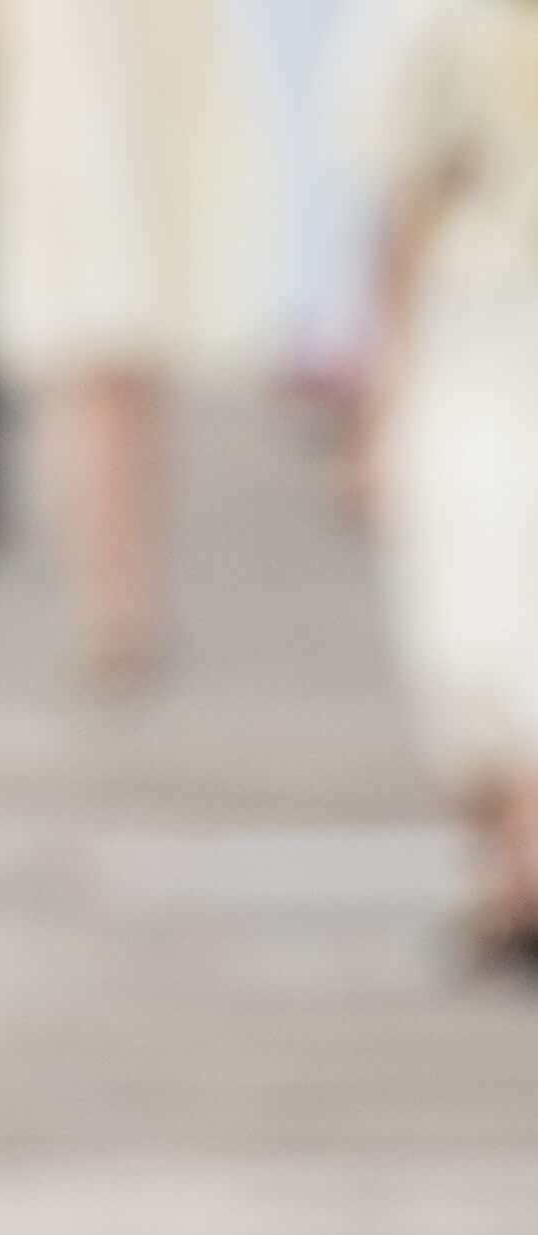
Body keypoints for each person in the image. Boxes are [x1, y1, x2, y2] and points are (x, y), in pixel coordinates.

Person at [0, 0, 278, 676]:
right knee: (102, 371)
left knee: (115, 373)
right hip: (82, 98)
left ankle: (122, 601)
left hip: (114, 94)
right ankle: (117, 603)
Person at [336, 0, 538, 965]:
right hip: (478, 343)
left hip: (479, 351)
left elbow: (404, 222)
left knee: (483, 626)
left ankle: (516, 864)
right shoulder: (439, 31)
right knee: (481, 627)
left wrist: (381, 397)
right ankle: (513, 861)